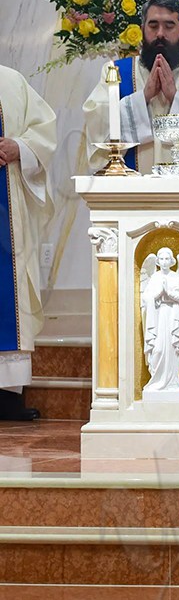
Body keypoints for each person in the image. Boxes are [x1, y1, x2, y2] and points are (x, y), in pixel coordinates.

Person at [84, 0, 179, 173]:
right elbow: (97, 123)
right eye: (153, 26)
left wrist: (176, 98)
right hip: (130, 194)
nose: (160, 34)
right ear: (142, 29)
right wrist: (143, 97)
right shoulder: (115, 72)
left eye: (169, 26)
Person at [0, 66, 57, 420]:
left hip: (5, 206)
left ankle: (6, 395)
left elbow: (44, 130)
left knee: (8, 292)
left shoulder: (10, 81)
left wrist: (17, 146)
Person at [140, 247, 179, 395]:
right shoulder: (155, 277)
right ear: (157, 261)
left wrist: (169, 293)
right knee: (158, 348)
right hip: (157, 317)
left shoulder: (176, 277)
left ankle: (174, 381)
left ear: (171, 261)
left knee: (172, 348)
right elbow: (146, 298)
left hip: (173, 316)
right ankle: (157, 380)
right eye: (161, 259)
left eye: (166, 259)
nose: (164, 261)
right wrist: (158, 294)